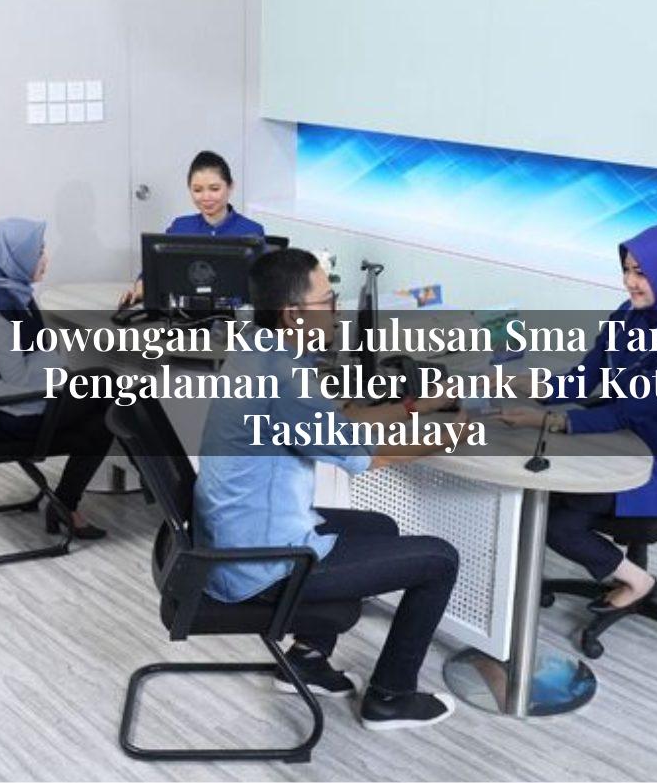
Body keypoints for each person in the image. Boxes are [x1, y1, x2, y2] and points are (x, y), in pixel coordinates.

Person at [194, 248, 463, 731]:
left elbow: (338, 421)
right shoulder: (285, 378)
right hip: (264, 564)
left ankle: (306, 660)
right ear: (292, 314)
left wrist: (414, 407)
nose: (336, 310)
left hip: (234, 539)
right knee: (441, 560)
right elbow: (368, 456)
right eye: (327, 301)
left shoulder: (257, 349)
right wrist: (450, 437)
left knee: (379, 526)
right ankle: (390, 698)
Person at [500, 223, 657, 612]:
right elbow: (585, 378)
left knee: (557, 523)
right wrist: (525, 385)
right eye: (628, 270)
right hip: (619, 445)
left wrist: (547, 421)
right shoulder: (628, 315)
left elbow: (627, 410)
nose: (629, 282)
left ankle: (639, 581)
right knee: (542, 496)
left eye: (642, 273)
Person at [0, 218, 115, 539]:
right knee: (111, 392)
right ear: (12, 258)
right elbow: (16, 375)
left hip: (10, 399)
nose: (45, 257)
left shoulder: (7, 293)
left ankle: (68, 505)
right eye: (38, 251)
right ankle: (162, 485)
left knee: (107, 411)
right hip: (5, 413)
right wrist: (57, 368)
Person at [118, 150, 265, 307]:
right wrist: (140, 291)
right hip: (185, 314)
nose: (206, 197)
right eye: (197, 190)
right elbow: (153, 270)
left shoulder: (251, 230)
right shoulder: (180, 226)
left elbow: (262, 287)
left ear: (230, 187)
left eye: (214, 189)